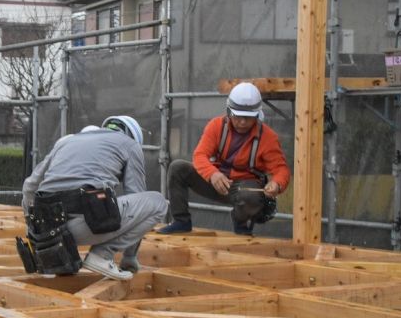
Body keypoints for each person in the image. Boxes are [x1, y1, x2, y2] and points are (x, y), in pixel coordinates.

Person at [21, 115, 168, 281]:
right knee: (158, 203)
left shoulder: (67, 141)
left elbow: (29, 187)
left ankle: (66, 259)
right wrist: (129, 257)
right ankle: (102, 255)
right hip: (89, 225)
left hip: (49, 232)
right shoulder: (130, 145)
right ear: (131, 135)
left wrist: (33, 228)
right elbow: (136, 196)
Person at [159, 82, 290, 235]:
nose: (242, 122)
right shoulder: (216, 126)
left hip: (243, 188)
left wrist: (277, 184)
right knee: (177, 168)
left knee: (251, 197)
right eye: (238, 116)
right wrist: (212, 174)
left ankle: (241, 224)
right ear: (229, 111)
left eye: (248, 118)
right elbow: (200, 156)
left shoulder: (268, 138)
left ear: (257, 116)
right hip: (216, 181)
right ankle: (181, 221)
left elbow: (281, 169)